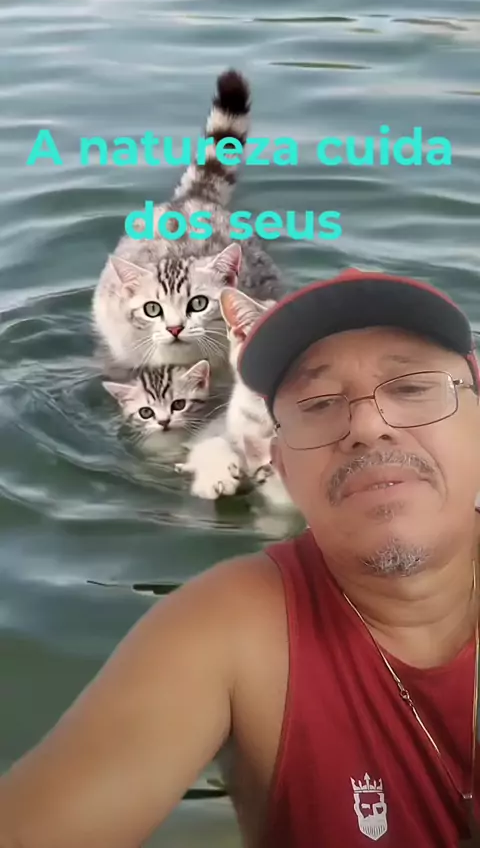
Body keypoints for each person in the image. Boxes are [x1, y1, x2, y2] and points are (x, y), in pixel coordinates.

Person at [1, 268, 480, 848]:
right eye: (319, 402)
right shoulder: (232, 629)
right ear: (279, 465)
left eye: (411, 388)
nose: (367, 425)